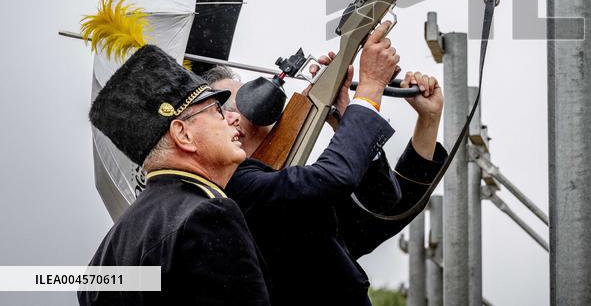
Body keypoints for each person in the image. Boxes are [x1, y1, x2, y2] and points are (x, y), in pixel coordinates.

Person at [212, 21, 446, 306]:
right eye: (226, 106)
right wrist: (370, 88)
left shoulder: (281, 195)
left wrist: (425, 121)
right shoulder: (235, 190)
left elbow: (382, 209)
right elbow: (335, 178)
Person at [79, 43, 271, 305]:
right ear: (183, 134)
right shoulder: (209, 214)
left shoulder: (105, 254)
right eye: (217, 110)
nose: (231, 118)